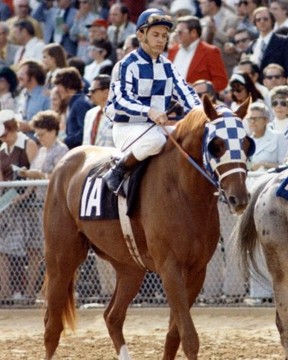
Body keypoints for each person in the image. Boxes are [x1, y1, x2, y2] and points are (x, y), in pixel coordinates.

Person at [103, 8, 201, 195]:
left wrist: (203, 113)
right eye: (155, 34)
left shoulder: (168, 66)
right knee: (156, 141)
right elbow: (120, 101)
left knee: (189, 138)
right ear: (141, 34)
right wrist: (148, 111)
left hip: (155, 127)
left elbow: (186, 92)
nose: (161, 40)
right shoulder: (126, 64)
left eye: (164, 36)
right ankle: (117, 171)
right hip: (126, 127)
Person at [18, 110, 69, 303]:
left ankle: (56, 291)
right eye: (36, 135)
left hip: (56, 207)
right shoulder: (41, 151)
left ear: (53, 131)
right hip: (38, 206)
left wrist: (39, 176)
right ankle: (33, 291)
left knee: (56, 252)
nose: (39, 139)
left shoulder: (61, 150)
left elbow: (60, 178)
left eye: (41, 134)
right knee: (35, 251)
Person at [0, 109, 38, 304]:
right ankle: (5, 294)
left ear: (12, 129)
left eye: (4, 134)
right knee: (4, 249)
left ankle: (30, 294)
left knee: (33, 249)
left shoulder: (28, 144)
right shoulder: (2, 150)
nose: (3, 138)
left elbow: (35, 172)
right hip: (10, 207)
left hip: (31, 206)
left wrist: (25, 195)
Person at [168, 15, 228, 92]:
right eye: (176, 32)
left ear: (193, 33)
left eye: (180, 32)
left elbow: (221, 82)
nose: (177, 35)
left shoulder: (210, 51)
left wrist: (197, 88)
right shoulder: (173, 50)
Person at [53, 66, 92, 149]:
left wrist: (65, 141)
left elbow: (85, 132)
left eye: (59, 86)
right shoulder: (75, 102)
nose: (57, 90)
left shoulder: (80, 104)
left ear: (69, 85)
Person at [248, 6, 288, 81]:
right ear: (255, 23)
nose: (262, 21)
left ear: (272, 21)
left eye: (265, 19)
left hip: (277, 85)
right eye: (258, 20)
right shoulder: (252, 44)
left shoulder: (284, 41)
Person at [16, 60, 50, 135]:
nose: (18, 76)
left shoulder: (46, 96)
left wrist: (30, 126)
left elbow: (51, 124)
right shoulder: (23, 94)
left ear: (33, 76)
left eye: (22, 73)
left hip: (38, 144)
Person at [82, 74, 113, 147]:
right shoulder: (90, 114)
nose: (89, 94)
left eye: (93, 91)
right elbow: (86, 143)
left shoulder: (118, 115)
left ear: (106, 92)